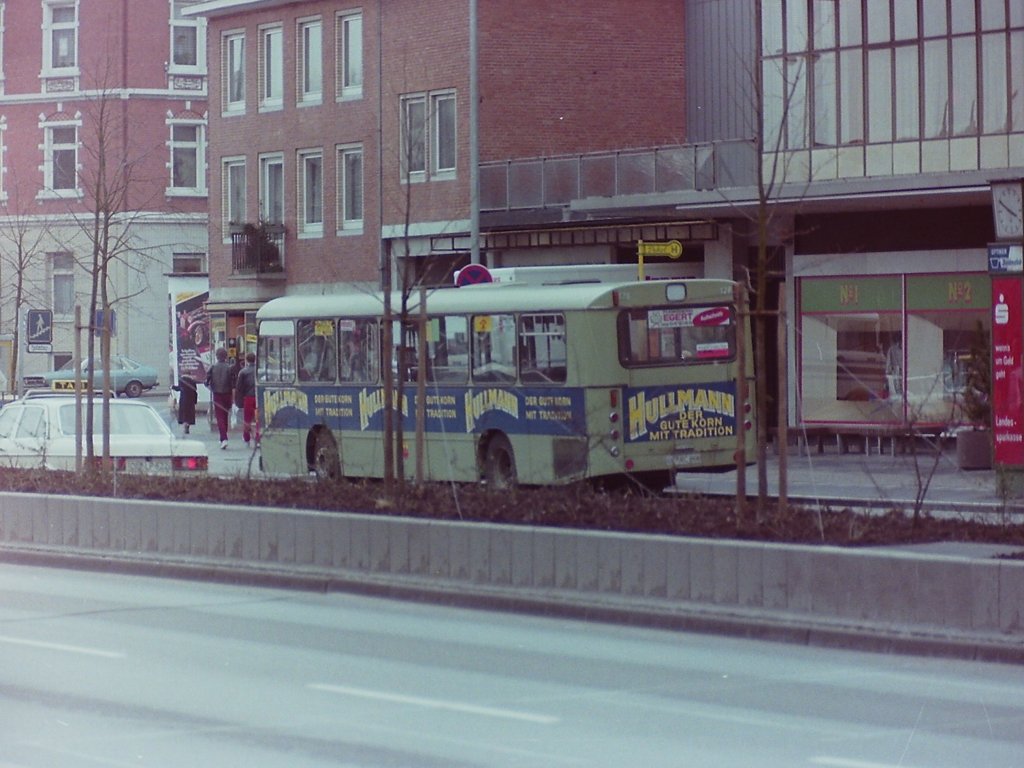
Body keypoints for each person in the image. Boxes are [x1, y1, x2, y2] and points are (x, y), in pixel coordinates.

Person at [205, 347, 235, 448]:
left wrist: (211, 387)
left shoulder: (213, 367)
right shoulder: (230, 367)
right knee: (226, 415)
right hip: (228, 393)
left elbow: (206, 381)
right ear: (226, 356)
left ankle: (224, 437)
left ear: (217, 356)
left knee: (219, 417)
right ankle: (223, 437)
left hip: (217, 394)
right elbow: (233, 382)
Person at [234, 351, 258, 447]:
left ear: (247, 360)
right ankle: (258, 437)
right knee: (258, 419)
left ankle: (246, 437)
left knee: (247, 419)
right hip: (257, 397)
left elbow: (239, 387)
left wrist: (238, 400)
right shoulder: (258, 371)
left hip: (248, 397)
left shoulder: (243, 372)